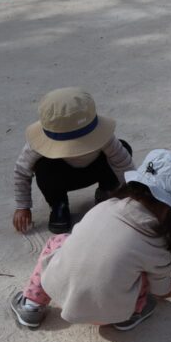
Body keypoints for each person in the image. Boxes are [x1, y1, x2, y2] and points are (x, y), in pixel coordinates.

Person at [9, 149, 171, 331]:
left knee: (60, 241)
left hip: (56, 289)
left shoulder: (106, 206)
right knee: (140, 271)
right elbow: (161, 290)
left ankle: (31, 305)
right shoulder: (156, 244)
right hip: (109, 314)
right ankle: (130, 316)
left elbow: (81, 242)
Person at [13, 88, 134, 235]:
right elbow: (22, 171)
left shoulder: (104, 137)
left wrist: (133, 193)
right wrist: (23, 206)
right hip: (62, 178)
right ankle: (59, 204)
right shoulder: (37, 145)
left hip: (96, 171)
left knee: (123, 149)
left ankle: (107, 189)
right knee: (43, 167)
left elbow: (123, 163)